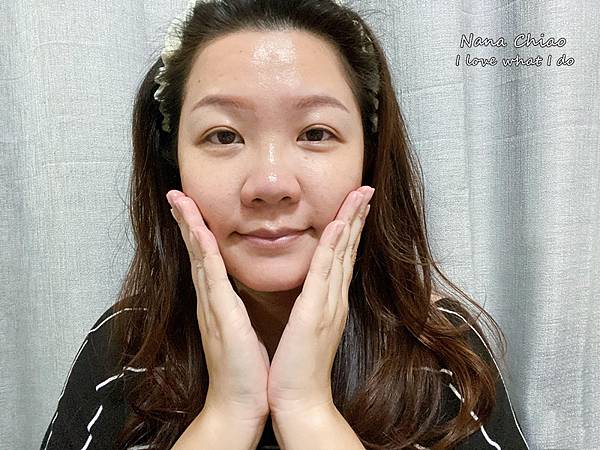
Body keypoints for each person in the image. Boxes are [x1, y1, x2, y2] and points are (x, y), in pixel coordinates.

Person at [40, 0, 532, 449]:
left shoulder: (441, 350)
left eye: (315, 133)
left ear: (369, 159)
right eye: (224, 135)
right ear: (174, 167)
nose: (271, 183)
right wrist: (228, 414)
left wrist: (307, 410)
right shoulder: (124, 348)